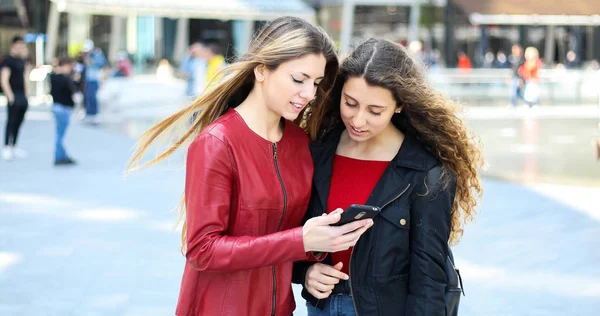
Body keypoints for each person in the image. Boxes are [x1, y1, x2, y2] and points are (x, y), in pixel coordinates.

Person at [126, 16, 373, 316]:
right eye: (299, 79)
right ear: (261, 70)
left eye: (316, 83)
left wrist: (308, 267)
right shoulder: (217, 142)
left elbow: (283, 237)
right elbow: (202, 250)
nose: (309, 94)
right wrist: (301, 240)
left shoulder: (299, 142)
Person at [293, 38, 484, 316]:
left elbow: (429, 278)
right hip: (321, 308)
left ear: (399, 105)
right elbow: (290, 231)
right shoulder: (317, 151)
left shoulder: (426, 171)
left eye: (374, 111)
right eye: (350, 103)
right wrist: (305, 271)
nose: (358, 120)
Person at [1, 35, 30, 161]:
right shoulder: (8, 60)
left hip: (22, 94)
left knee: (19, 120)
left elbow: (25, 77)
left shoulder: (22, 61)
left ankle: (14, 146)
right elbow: (4, 79)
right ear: (13, 46)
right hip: (13, 94)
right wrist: (10, 95)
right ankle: (7, 146)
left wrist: (27, 92)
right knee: (11, 121)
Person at [50, 57, 78, 166]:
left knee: (59, 134)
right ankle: (60, 156)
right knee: (60, 135)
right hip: (63, 108)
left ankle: (62, 155)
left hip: (57, 107)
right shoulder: (63, 78)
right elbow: (73, 88)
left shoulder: (53, 76)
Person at [82, 40, 107, 123]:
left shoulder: (97, 54)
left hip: (95, 79)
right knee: (88, 96)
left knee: (93, 96)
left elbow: (102, 64)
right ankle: (89, 113)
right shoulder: (87, 55)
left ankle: (95, 113)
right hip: (89, 78)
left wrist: (93, 61)